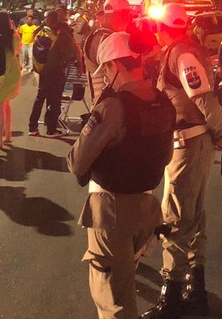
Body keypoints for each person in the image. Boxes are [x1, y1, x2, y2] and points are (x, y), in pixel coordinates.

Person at [67, 32, 176, 319]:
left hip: (112, 211)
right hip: (146, 208)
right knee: (125, 287)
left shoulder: (113, 107)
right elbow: (165, 156)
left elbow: (77, 162)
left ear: (115, 67)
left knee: (113, 299)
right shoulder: (163, 101)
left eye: (105, 70)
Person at [143, 4, 222, 319]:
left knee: (176, 217)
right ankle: (194, 290)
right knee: (193, 215)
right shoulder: (182, 51)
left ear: (165, 26)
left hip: (189, 144)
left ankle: (173, 298)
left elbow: (201, 97)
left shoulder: (181, 54)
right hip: (193, 143)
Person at [28, 10, 82, 137]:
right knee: (55, 99)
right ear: (57, 19)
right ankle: (51, 129)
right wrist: (78, 63)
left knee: (40, 97)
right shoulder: (61, 33)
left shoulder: (42, 30)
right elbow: (71, 50)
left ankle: (32, 127)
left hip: (43, 70)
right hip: (56, 70)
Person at [82, 0, 132, 103]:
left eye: (128, 14)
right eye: (122, 14)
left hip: (109, 104)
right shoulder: (105, 39)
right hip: (108, 105)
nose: (126, 18)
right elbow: (124, 73)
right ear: (109, 15)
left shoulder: (102, 36)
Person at [0, 11, 20, 148]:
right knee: (6, 104)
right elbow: (17, 51)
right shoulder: (15, 35)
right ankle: (8, 135)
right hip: (13, 73)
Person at [17, 10, 39, 77]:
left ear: (32, 20)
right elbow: (20, 33)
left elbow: (37, 34)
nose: (29, 20)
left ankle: (30, 67)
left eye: (30, 19)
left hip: (31, 44)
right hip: (24, 43)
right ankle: (24, 67)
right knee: (24, 56)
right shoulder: (23, 26)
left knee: (30, 56)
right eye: (28, 19)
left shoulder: (34, 27)